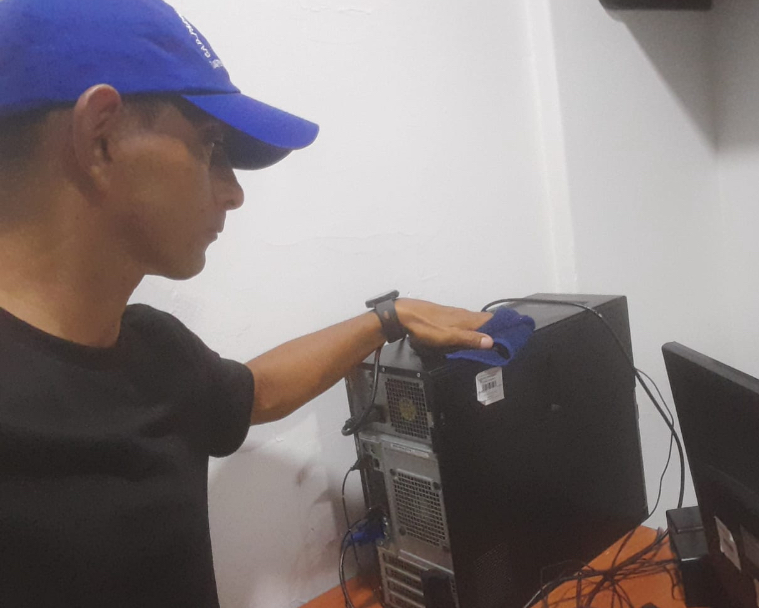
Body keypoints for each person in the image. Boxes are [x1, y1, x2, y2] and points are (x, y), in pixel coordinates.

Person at [0, 0, 494, 605]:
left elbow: (256, 392)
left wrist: (390, 317)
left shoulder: (153, 348)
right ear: (100, 138)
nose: (234, 193)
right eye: (211, 147)